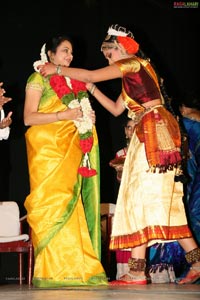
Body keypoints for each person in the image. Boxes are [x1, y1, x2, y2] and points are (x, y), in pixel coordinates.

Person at [38, 24, 200, 285]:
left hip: (153, 132)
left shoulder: (134, 64)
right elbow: (115, 109)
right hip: (147, 133)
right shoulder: (132, 79)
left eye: (109, 52)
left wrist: (56, 69)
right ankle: (156, 267)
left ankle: (142, 270)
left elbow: (92, 74)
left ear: (122, 48)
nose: (107, 57)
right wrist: (89, 89)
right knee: (147, 199)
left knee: (147, 198)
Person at [23, 35, 108, 287]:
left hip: (69, 150)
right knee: (52, 205)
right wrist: (65, 114)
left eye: (71, 53)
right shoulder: (37, 78)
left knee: (72, 204)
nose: (69, 56)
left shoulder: (74, 85)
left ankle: (77, 268)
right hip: (47, 153)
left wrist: (82, 118)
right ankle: (51, 270)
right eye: (64, 51)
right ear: (50, 55)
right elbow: (28, 118)